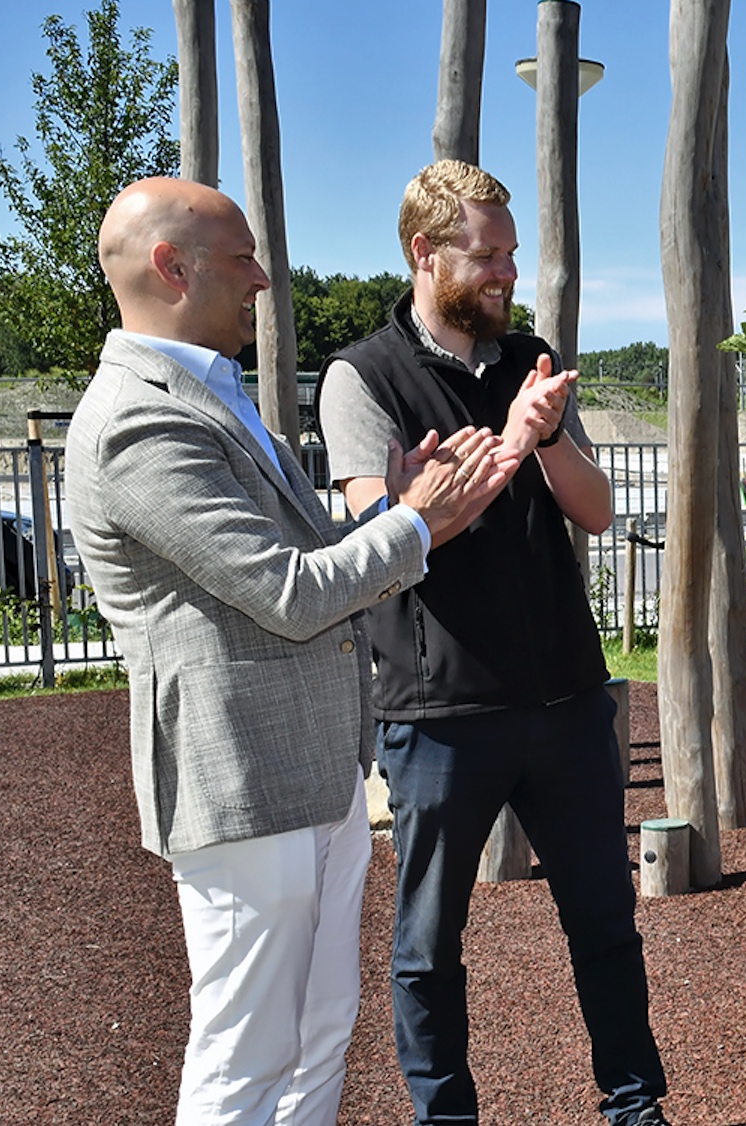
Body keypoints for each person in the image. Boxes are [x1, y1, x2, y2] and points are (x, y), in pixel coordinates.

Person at [67, 177, 509, 1125]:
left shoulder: (207, 397)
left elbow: (313, 561)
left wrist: (395, 508)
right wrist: (420, 526)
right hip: (244, 787)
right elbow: (290, 593)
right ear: (171, 267)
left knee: (316, 1034)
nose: (264, 279)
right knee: (246, 1052)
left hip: (312, 776)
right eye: (242, 260)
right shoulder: (140, 422)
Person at [316, 160, 673, 1126]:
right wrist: (504, 446)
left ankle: (635, 1107)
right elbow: (388, 534)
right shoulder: (361, 377)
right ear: (426, 254)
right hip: (439, 714)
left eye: (512, 252)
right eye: (488, 254)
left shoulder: (533, 359)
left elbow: (595, 512)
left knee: (604, 923)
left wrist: (547, 438)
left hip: (563, 694)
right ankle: (447, 1117)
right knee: (428, 944)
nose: (508, 272)